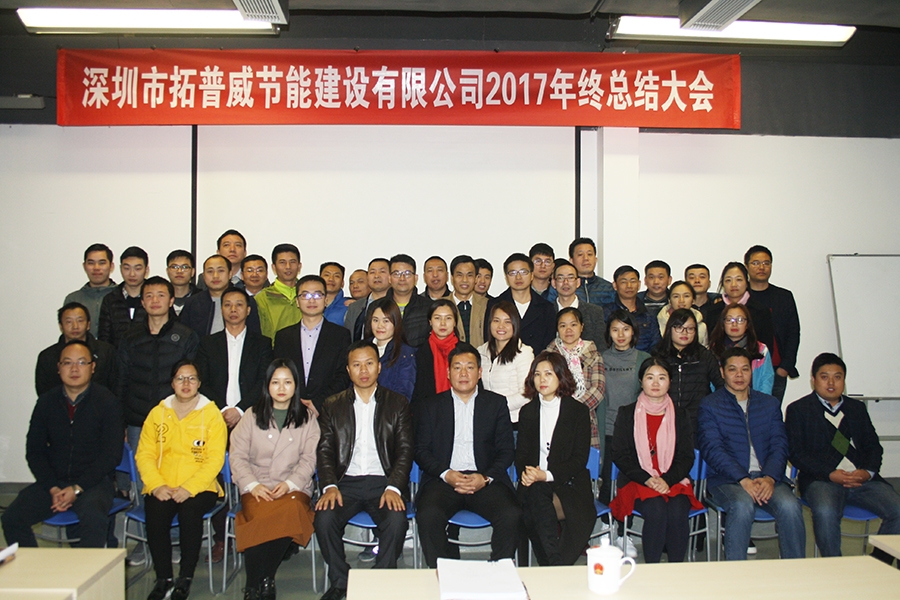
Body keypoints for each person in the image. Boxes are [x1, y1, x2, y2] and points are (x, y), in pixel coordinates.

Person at [315, 341, 414, 600]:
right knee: (324, 519)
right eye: (356, 365)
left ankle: (380, 581)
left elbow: (405, 451)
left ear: (379, 367)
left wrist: (394, 487)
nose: (363, 370)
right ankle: (340, 582)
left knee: (396, 521)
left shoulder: (397, 403)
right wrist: (329, 485)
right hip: (344, 483)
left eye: (369, 363)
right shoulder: (332, 405)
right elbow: (324, 450)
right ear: (348, 370)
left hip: (383, 482)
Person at [2, 340, 122, 549]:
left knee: (94, 520)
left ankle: (88, 570)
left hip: (92, 483)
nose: (74, 369)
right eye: (67, 363)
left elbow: (111, 455)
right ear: (58, 368)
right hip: (54, 482)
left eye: (81, 362)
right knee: (12, 518)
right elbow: (35, 451)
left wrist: (77, 488)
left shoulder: (107, 402)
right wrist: (53, 488)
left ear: (93, 367)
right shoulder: (46, 402)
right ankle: (34, 567)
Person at [414, 343, 522, 568]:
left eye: (470, 367)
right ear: (448, 372)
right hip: (443, 480)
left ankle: (499, 571)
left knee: (510, 514)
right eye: (457, 367)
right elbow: (421, 450)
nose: (463, 373)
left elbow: (506, 451)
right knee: (428, 515)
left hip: (485, 480)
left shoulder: (495, 404)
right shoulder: (431, 406)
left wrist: (485, 477)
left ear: (479, 372)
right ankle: (443, 571)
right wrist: (446, 474)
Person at [786, 353, 900, 561]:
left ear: (844, 380)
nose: (831, 383)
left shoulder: (856, 409)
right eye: (824, 377)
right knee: (825, 512)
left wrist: (867, 472)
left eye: (837, 377)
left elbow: (873, 447)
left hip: (861, 480)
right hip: (822, 481)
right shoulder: (799, 410)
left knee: (898, 510)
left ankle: (879, 563)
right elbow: (796, 453)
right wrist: (830, 474)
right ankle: (836, 566)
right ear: (813, 379)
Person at [698, 347, 805, 561]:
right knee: (741, 505)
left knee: (791, 506)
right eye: (733, 369)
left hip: (767, 478)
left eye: (745, 369)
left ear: (751, 372)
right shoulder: (710, 405)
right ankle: (737, 572)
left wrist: (770, 477)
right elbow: (713, 448)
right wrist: (743, 479)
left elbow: (779, 444)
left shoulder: (769, 404)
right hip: (728, 480)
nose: (739, 375)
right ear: (722, 372)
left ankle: (795, 570)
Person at [135, 360, 226, 600]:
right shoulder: (157, 413)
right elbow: (144, 454)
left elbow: (215, 459)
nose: (186, 383)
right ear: (172, 382)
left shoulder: (212, 415)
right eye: (180, 378)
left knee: (189, 513)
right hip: (163, 484)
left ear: (199, 383)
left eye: (192, 378)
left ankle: (185, 578)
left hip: (200, 487)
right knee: (155, 512)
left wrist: (189, 488)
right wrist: (156, 485)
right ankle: (163, 578)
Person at [229, 358, 320, 600]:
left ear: (295, 385)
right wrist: (253, 485)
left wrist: (290, 484)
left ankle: (256, 582)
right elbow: (237, 456)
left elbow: (309, 459)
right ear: (267, 385)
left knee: (291, 510)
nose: (281, 388)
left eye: (287, 382)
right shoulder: (251, 415)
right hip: (257, 485)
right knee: (259, 514)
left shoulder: (308, 418)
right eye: (275, 382)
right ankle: (263, 582)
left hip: (294, 486)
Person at [610, 356, 703, 564]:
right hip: (638, 480)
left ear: (670, 382)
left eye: (662, 377)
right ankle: (652, 570)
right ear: (641, 381)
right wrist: (647, 479)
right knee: (657, 510)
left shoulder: (680, 415)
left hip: (673, 479)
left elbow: (686, 456)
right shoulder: (627, 413)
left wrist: (666, 480)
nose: (655, 383)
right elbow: (620, 454)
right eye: (649, 377)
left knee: (678, 511)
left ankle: (676, 569)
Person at [116, 276, 200, 501]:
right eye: (149, 296)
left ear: (171, 300)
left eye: (161, 295)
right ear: (142, 302)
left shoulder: (186, 336)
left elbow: (192, 382)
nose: (155, 301)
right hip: (138, 419)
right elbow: (121, 381)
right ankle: (143, 521)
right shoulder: (130, 338)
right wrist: (121, 422)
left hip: (175, 419)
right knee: (142, 477)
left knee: (175, 476)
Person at [516, 351, 594, 565]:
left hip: (569, 484)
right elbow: (521, 455)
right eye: (537, 374)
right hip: (535, 484)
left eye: (548, 373)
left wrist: (546, 475)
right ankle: (554, 564)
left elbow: (580, 459)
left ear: (561, 376)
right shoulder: (528, 412)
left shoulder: (578, 411)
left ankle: (550, 564)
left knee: (534, 507)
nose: (542, 379)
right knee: (536, 496)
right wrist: (528, 473)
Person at [273, 275, 351, 413]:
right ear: (297, 301)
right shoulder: (283, 337)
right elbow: (278, 374)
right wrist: (294, 402)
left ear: (325, 300)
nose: (312, 300)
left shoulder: (341, 335)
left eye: (317, 295)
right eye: (305, 295)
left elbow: (343, 375)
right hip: (291, 408)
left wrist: (318, 403)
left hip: (328, 409)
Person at [598, 311, 651, 506]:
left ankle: (623, 521)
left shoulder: (644, 359)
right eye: (615, 330)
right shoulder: (599, 358)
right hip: (607, 429)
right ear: (609, 333)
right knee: (607, 482)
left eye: (625, 329)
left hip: (633, 431)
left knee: (627, 482)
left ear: (633, 331)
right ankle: (607, 520)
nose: (620, 335)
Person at [652, 308, 723, 440]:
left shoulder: (705, 356)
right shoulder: (658, 355)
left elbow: (720, 386)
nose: (685, 332)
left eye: (690, 328)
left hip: (699, 422)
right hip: (665, 419)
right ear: (670, 329)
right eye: (679, 327)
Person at [745, 245, 801, 402]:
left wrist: (785, 367)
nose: (761, 267)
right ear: (746, 266)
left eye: (766, 263)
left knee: (771, 412)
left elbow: (793, 332)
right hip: (744, 369)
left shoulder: (783, 297)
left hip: (776, 369)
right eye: (756, 263)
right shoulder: (741, 297)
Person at [546, 307, 605, 450]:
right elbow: (544, 388)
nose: (568, 330)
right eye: (563, 325)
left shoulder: (594, 355)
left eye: (573, 324)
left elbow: (598, 389)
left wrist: (574, 409)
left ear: (582, 327)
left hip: (585, 417)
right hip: (553, 417)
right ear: (557, 329)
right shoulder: (547, 356)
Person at [35, 302, 116, 396]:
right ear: (61, 326)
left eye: (80, 321)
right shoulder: (47, 356)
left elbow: (115, 386)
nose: (75, 326)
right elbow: (43, 392)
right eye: (69, 322)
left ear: (88, 325)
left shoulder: (107, 352)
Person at [478, 301, 535, 428]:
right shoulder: (481, 351)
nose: (501, 326)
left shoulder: (524, 353)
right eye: (496, 320)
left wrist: (496, 407)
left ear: (515, 324)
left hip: (514, 422)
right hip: (489, 422)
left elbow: (526, 394)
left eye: (507, 322)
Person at [706, 262, 776, 362]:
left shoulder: (760, 311)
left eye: (738, 279)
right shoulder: (713, 311)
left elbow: (767, 347)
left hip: (754, 366)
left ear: (747, 282)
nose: (733, 284)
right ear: (723, 284)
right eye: (728, 280)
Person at [487, 253, 556, 353]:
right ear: (506, 277)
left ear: (532, 275)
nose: (518, 277)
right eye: (513, 273)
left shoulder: (546, 307)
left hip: (536, 361)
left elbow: (549, 345)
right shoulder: (494, 305)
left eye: (523, 272)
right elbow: (489, 340)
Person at [181, 255, 262, 337]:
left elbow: (255, 336)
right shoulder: (193, 303)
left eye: (221, 271)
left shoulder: (245, 300)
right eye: (210, 271)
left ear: (230, 274)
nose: (215, 276)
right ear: (203, 276)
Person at [708, 303, 774, 394]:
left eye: (740, 320)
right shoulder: (712, 350)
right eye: (729, 320)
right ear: (722, 324)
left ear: (747, 324)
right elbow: (709, 384)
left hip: (755, 400)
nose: (734, 324)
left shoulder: (761, 350)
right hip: (720, 400)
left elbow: (766, 380)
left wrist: (759, 402)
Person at [365, 297, 417, 401]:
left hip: (390, 408)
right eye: (375, 320)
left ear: (396, 323)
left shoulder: (406, 353)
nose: (380, 326)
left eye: (386, 321)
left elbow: (404, 393)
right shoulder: (362, 349)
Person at [410, 299, 460, 407]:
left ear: (455, 322)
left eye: (448, 318)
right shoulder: (419, 353)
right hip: (429, 411)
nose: (443, 323)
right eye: (437, 318)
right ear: (430, 321)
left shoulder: (466, 351)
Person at [551, 260, 608, 351]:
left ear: (578, 282)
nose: (566, 282)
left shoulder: (594, 312)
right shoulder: (545, 311)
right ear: (554, 283)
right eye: (560, 278)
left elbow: (601, 347)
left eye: (570, 278)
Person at [98, 246, 149, 348]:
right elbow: (104, 338)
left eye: (137, 268)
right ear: (120, 268)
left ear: (146, 270)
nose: (132, 274)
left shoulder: (155, 298)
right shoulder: (110, 299)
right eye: (126, 268)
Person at [603, 265, 660, 353]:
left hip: (645, 360)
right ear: (615, 285)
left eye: (633, 281)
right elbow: (603, 343)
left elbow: (656, 346)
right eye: (623, 282)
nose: (629, 286)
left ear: (639, 284)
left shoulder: (649, 314)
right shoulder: (606, 312)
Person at [65, 243, 117, 338]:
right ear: (84, 266)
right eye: (91, 263)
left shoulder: (121, 296)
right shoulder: (73, 299)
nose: (96, 268)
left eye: (102, 263)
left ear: (111, 266)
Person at [255, 244, 303, 341]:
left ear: (299, 266)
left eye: (292, 262)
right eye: (282, 262)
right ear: (274, 267)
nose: (288, 267)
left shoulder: (309, 295)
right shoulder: (262, 298)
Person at [385, 254, 431, 347]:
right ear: (389, 278)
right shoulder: (377, 307)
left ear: (416, 278)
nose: (402, 278)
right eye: (396, 274)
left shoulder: (429, 307)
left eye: (407, 274)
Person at [444, 254, 488, 347]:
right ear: (452, 278)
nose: (464, 280)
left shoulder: (487, 305)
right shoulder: (441, 305)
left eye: (469, 275)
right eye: (459, 275)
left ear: (476, 278)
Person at [344, 258, 391, 342]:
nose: (376, 276)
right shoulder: (354, 307)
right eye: (372, 272)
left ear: (391, 276)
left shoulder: (398, 304)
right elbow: (348, 339)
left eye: (382, 271)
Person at [656, 280, 708, 347]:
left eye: (686, 296)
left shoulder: (701, 326)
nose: (681, 301)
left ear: (693, 300)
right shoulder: (656, 323)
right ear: (669, 300)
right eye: (676, 296)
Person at [569, 237, 615, 306]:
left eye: (589, 254)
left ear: (596, 259)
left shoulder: (608, 288)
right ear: (571, 261)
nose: (586, 258)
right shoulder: (565, 287)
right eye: (580, 255)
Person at [166, 250, 196, 316]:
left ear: (193, 272)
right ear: (167, 271)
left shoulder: (202, 298)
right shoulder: (160, 298)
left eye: (185, 267)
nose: (179, 271)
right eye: (174, 267)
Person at [321, 261, 349, 326]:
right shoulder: (310, 303)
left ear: (342, 283)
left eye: (337, 276)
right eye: (327, 275)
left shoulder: (349, 306)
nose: (331, 279)